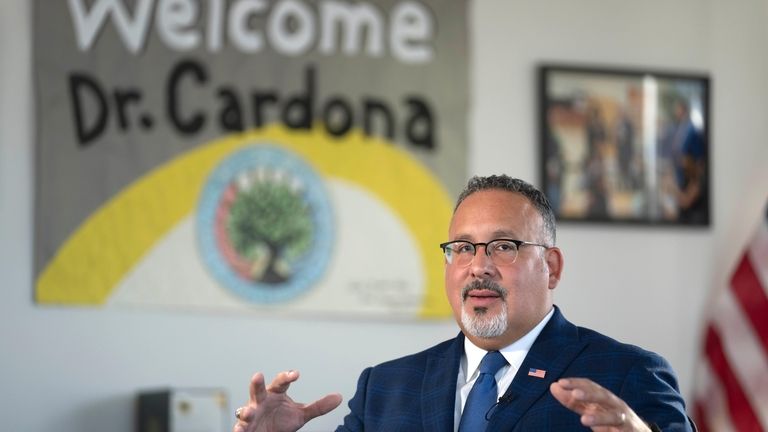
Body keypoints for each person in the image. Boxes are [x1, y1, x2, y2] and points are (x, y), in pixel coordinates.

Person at [233, 175, 695, 432]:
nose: (478, 266)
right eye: (462, 248)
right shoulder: (386, 388)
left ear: (551, 268)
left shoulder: (626, 375)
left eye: (503, 246)